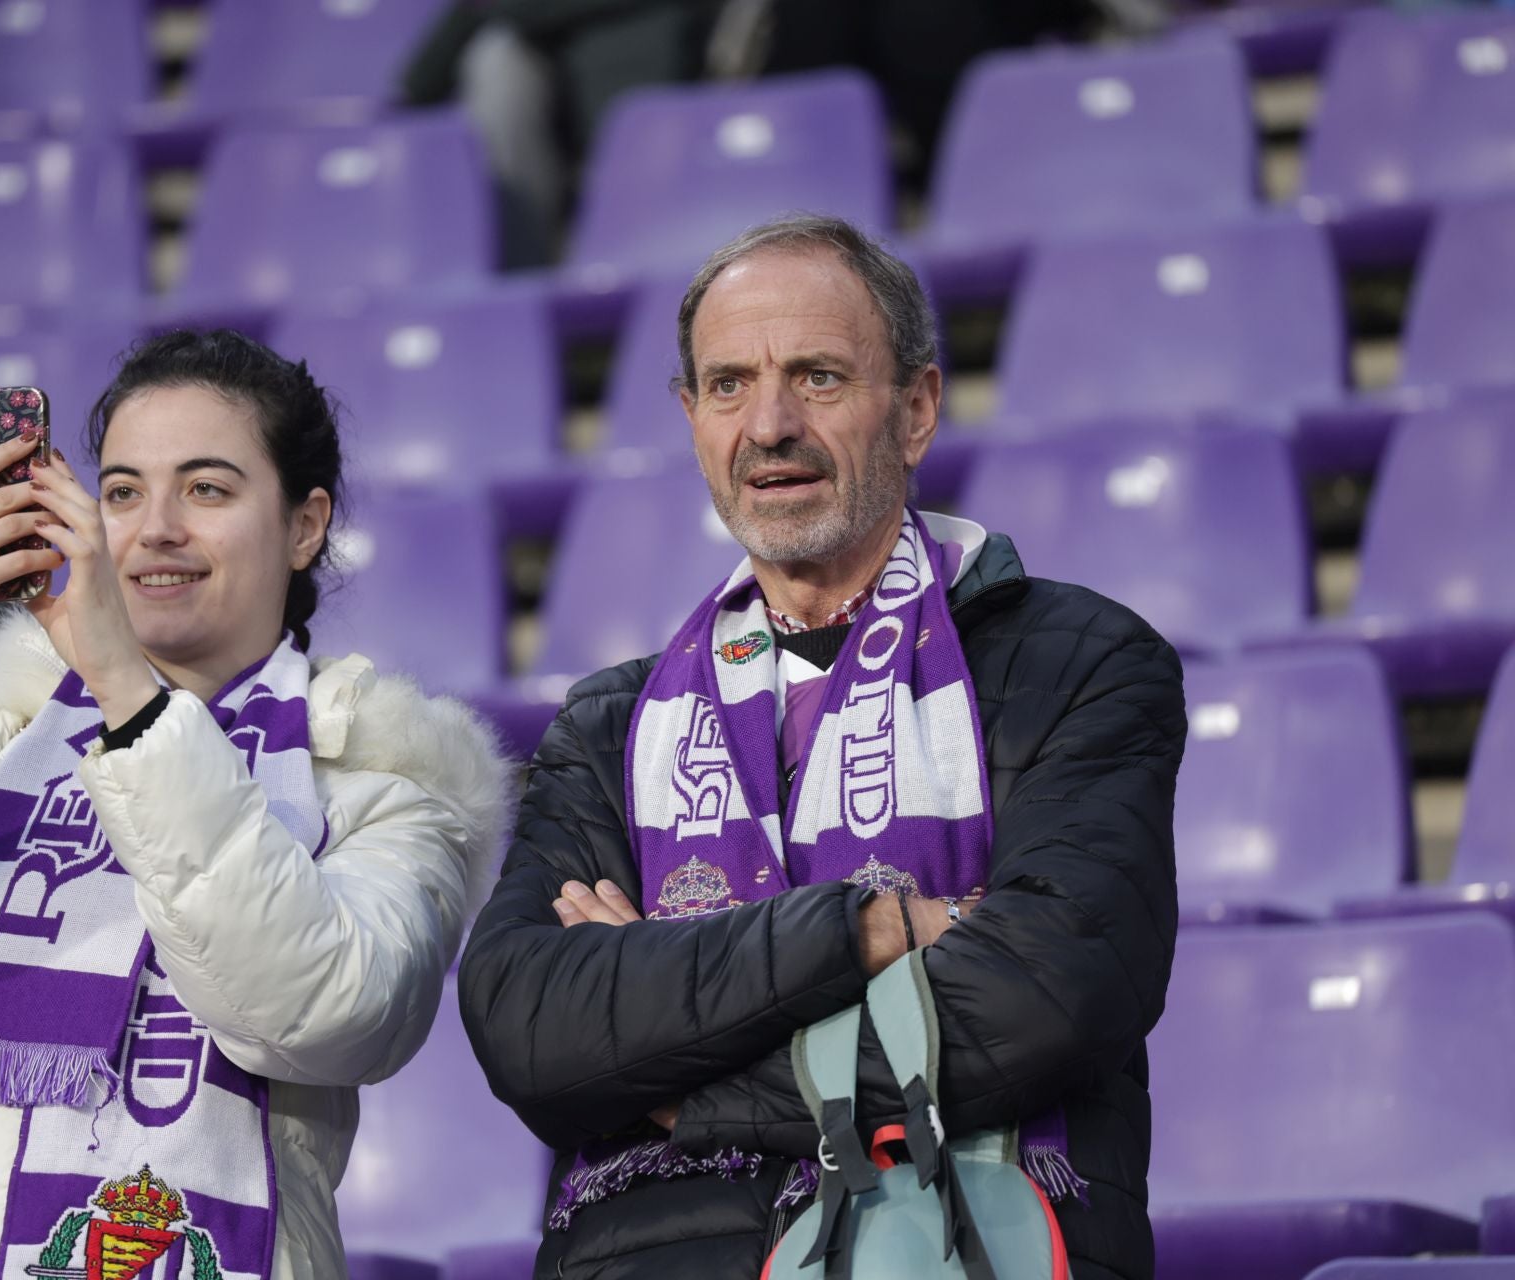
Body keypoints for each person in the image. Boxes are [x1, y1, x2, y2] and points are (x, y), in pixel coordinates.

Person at [458, 215, 1185, 1280]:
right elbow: (531, 1026)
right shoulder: (611, 722)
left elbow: (1047, 993)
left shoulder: (1078, 660)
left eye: (820, 376)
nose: (770, 424)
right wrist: (869, 928)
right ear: (691, 418)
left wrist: (690, 1084)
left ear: (918, 408)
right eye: (728, 385)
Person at [0, 329, 512, 1278]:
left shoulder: (386, 779)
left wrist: (130, 694)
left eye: (207, 489)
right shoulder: (0, 740)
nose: (155, 527)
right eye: (122, 491)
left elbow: (320, 1014)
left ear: (305, 523)